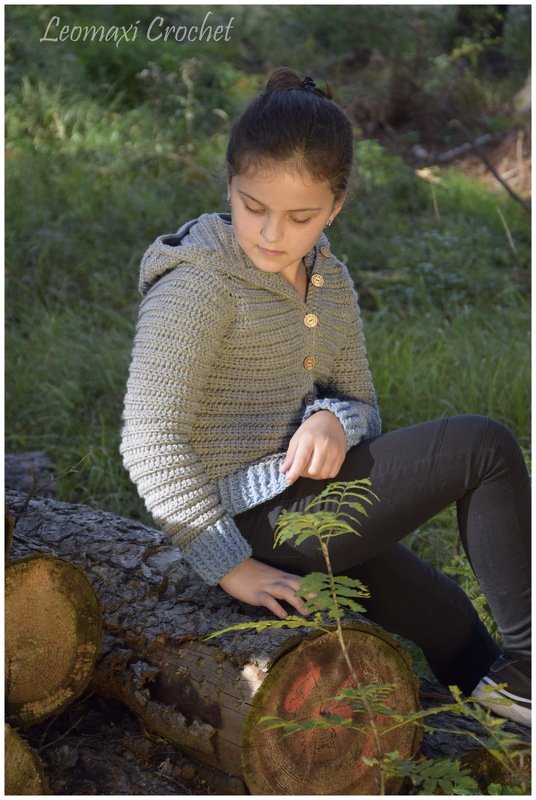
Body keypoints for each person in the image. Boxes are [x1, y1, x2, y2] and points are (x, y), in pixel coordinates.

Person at [120, 68, 530, 726]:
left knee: (449, 617)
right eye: (253, 206)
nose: (271, 233)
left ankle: (501, 729)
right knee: (484, 447)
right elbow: (149, 438)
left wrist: (331, 420)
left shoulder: (330, 280)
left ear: (335, 207)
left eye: (300, 216)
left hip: (313, 500)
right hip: (253, 522)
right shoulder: (196, 287)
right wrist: (232, 568)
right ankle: (533, 662)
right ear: (231, 184)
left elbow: (360, 403)